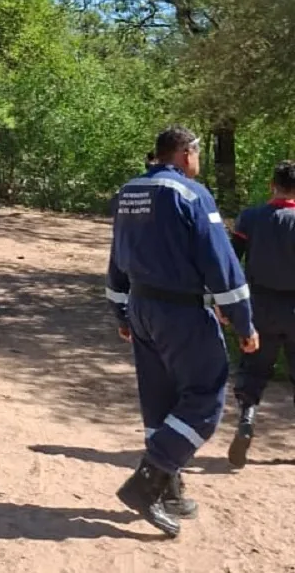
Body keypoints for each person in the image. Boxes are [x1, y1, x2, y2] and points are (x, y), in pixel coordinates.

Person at [105, 125, 258, 537]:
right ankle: (148, 481)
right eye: (197, 154)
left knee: (159, 399)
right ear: (186, 153)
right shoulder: (192, 194)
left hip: (141, 307)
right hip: (180, 311)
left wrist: (121, 313)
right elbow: (221, 264)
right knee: (206, 396)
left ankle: (170, 490)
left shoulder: (128, 192)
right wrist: (243, 322)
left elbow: (117, 258)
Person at [226, 160, 295, 468]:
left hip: (260, 308)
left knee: (254, 369)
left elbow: (229, 261)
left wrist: (225, 304)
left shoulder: (251, 218)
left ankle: (247, 419)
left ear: (272, 185)